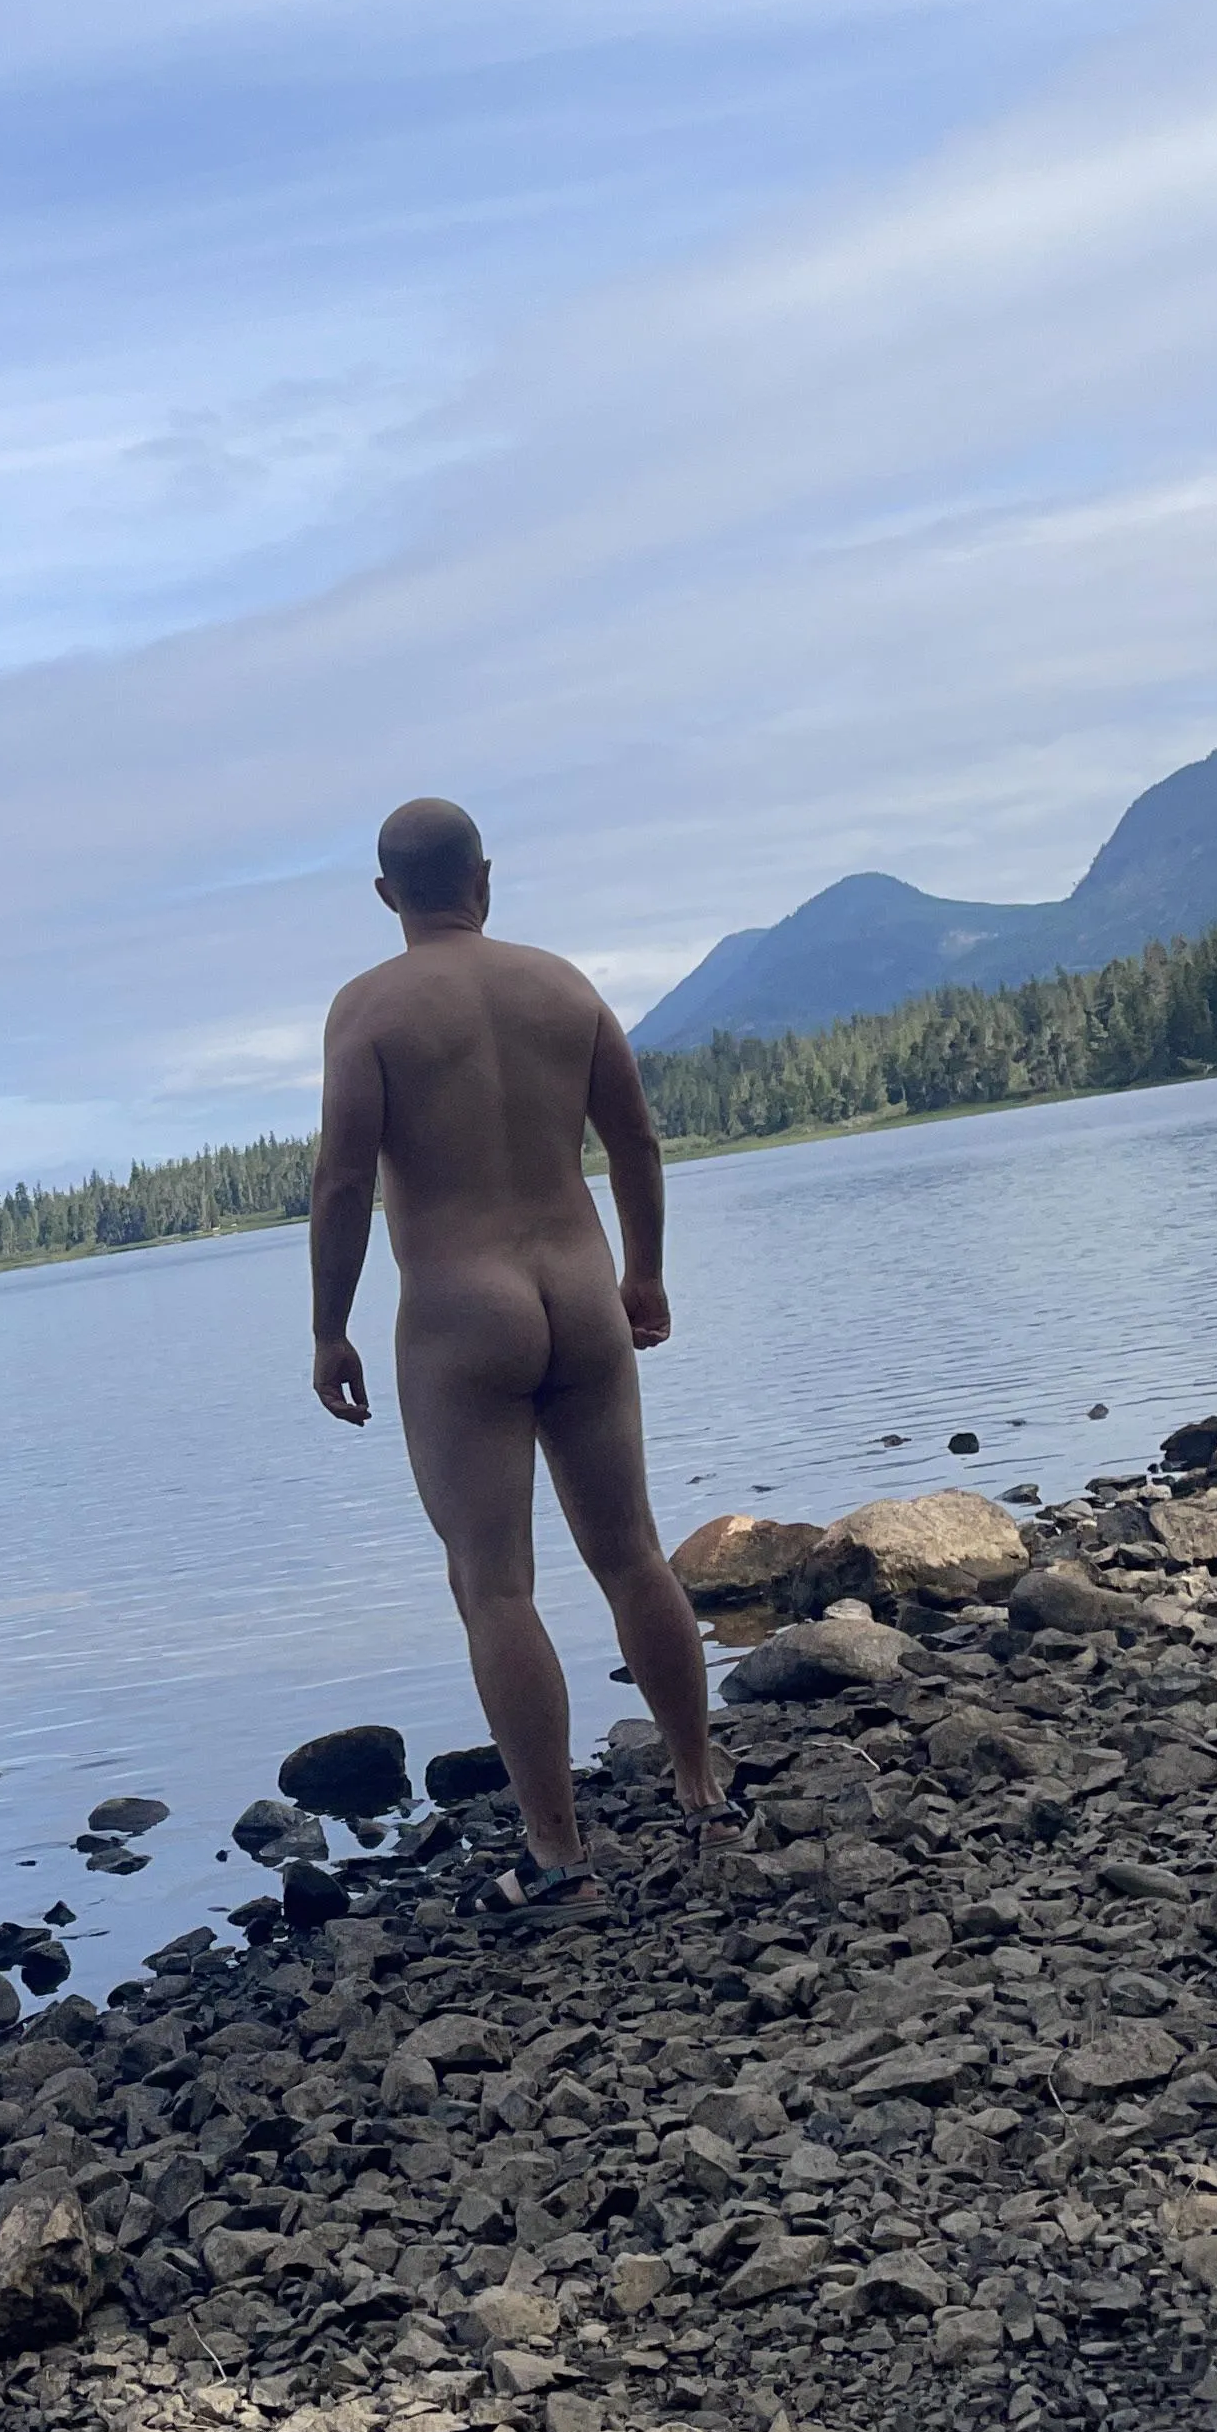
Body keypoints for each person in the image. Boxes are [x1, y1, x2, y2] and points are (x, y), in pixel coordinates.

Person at [309, 795, 729, 1905]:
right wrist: (644, 1271)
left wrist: (328, 1327)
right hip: (582, 1291)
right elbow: (634, 1136)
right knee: (631, 1551)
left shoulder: (368, 1010)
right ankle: (701, 1787)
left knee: (495, 1587)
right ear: (483, 879)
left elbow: (345, 1179)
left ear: (389, 894)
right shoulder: (563, 986)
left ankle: (559, 1853)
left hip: (461, 1313)